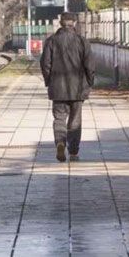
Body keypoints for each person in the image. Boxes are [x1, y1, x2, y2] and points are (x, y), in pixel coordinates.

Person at [40, 12, 95, 162]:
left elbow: (45, 64)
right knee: (75, 119)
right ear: (75, 23)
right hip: (77, 88)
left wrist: (48, 81)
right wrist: (89, 82)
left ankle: (60, 142)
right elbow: (90, 65)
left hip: (57, 88)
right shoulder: (82, 41)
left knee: (59, 118)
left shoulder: (51, 41)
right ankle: (73, 151)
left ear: (60, 23)